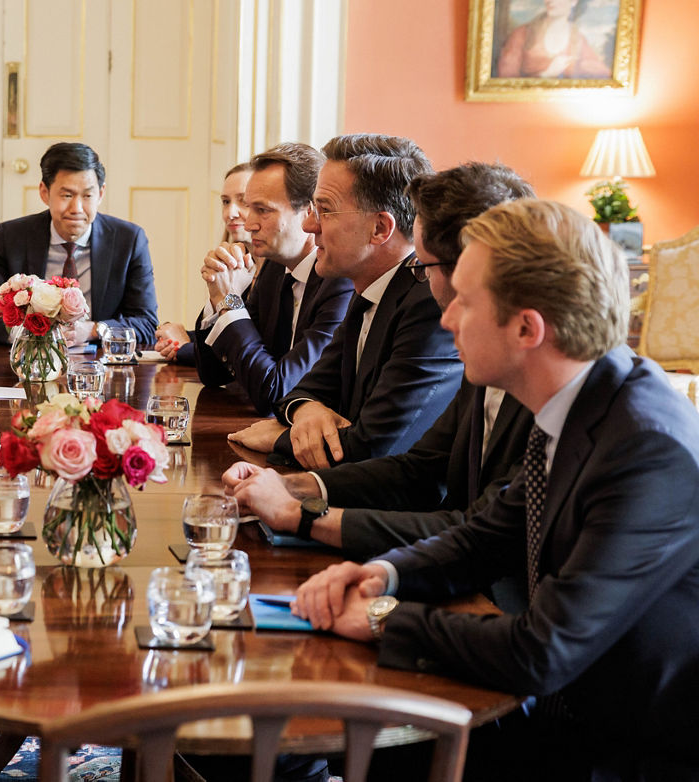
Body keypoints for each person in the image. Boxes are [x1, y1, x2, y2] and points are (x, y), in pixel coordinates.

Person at [291, 200, 699, 780]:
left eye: (466, 301)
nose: (447, 319)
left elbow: (543, 651)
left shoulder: (645, 448)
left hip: (624, 748)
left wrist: (384, 618)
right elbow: (484, 536)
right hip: (566, 708)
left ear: (527, 328)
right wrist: (383, 575)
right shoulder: (584, 400)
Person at [222, 162, 535, 610]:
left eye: (423, 266)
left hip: (492, 603)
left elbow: (478, 532)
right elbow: (421, 469)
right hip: (454, 579)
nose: (448, 318)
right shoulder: (481, 350)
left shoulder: (545, 386)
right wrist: (296, 487)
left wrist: (301, 513)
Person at [228, 133, 461, 469]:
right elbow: (301, 390)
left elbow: (373, 446)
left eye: (324, 210)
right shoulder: (367, 288)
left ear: (379, 228)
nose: (309, 224)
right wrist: (307, 409)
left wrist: (280, 438)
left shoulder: (428, 305)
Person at [185, 145, 352, 416]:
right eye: (249, 208)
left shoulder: (341, 281)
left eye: (263, 210)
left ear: (310, 211)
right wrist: (219, 297)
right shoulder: (275, 268)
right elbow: (215, 374)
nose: (249, 224)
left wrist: (230, 302)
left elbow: (278, 392)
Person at [0, 142, 159, 346]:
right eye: (67, 195)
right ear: (44, 192)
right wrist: (37, 332)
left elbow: (147, 324)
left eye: (87, 196)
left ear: (101, 194)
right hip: (31, 358)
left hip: (99, 359)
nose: (76, 208)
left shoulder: (129, 240)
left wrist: (93, 330)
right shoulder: (11, 237)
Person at [153, 162, 256, 365]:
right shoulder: (230, 264)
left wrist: (184, 347)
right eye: (225, 202)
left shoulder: (275, 270)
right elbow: (224, 330)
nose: (230, 213)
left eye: (243, 201)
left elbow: (248, 347)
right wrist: (183, 335)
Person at [495, 0, 611, 79]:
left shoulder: (578, 41)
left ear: (573, 0)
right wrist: (546, 74)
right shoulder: (522, 35)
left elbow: (604, 77)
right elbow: (504, 81)